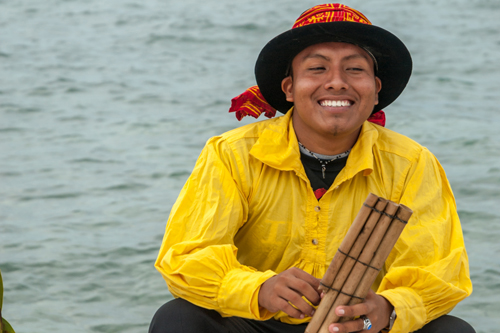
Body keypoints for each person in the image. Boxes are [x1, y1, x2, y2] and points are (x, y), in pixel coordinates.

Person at [149, 4, 474, 333]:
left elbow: (440, 274)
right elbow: (185, 257)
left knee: (452, 330)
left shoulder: (412, 163)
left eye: (354, 70)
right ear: (289, 88)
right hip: (259, 321)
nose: (336, 82)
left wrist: (387, 309)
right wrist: (259, 289)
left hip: (357, 326)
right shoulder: (232, 154)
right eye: (317, 68)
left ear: (376, 90)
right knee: (177, 318)